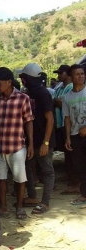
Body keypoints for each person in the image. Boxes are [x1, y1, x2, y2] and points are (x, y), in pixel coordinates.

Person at [0, 67, 34, 219]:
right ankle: (3, 208)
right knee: (0, 178)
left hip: (17, 145)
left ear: (9, 82)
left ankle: (20, 207)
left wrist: (31, 144)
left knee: (20, 179)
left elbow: (28, 121)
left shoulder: (23, 99)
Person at [19, 63, 55, 214]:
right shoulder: (29, 93)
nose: (21, 79)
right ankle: (33, 196)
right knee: (27, 167)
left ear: (29, 78)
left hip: (43, 139)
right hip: (31, 140)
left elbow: (50, 118)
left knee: (47, 170)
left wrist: (45, 142)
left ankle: (45, 201)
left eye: (23, 77)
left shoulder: (42, 93)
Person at [62, 64, 86, 205]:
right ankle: (84, 194)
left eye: (82, 73)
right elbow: (67, 119)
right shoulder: (67, 97)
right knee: (79, 166)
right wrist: (68, 138)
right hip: (76, 136)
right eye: (77, 74)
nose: (81, 76)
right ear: (71, 77)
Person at [52, 65, 76, 193]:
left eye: (61, 73)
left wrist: (57, 101)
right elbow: (55, 101)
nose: (59, 75)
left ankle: (74, 180)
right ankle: (69, 175)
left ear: (67, 74)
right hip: (60, 124)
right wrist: (57, 101)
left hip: (69, 123)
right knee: (67, 152)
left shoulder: (71, 87)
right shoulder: (59, 87)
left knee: (72, 152)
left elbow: (63, 103)